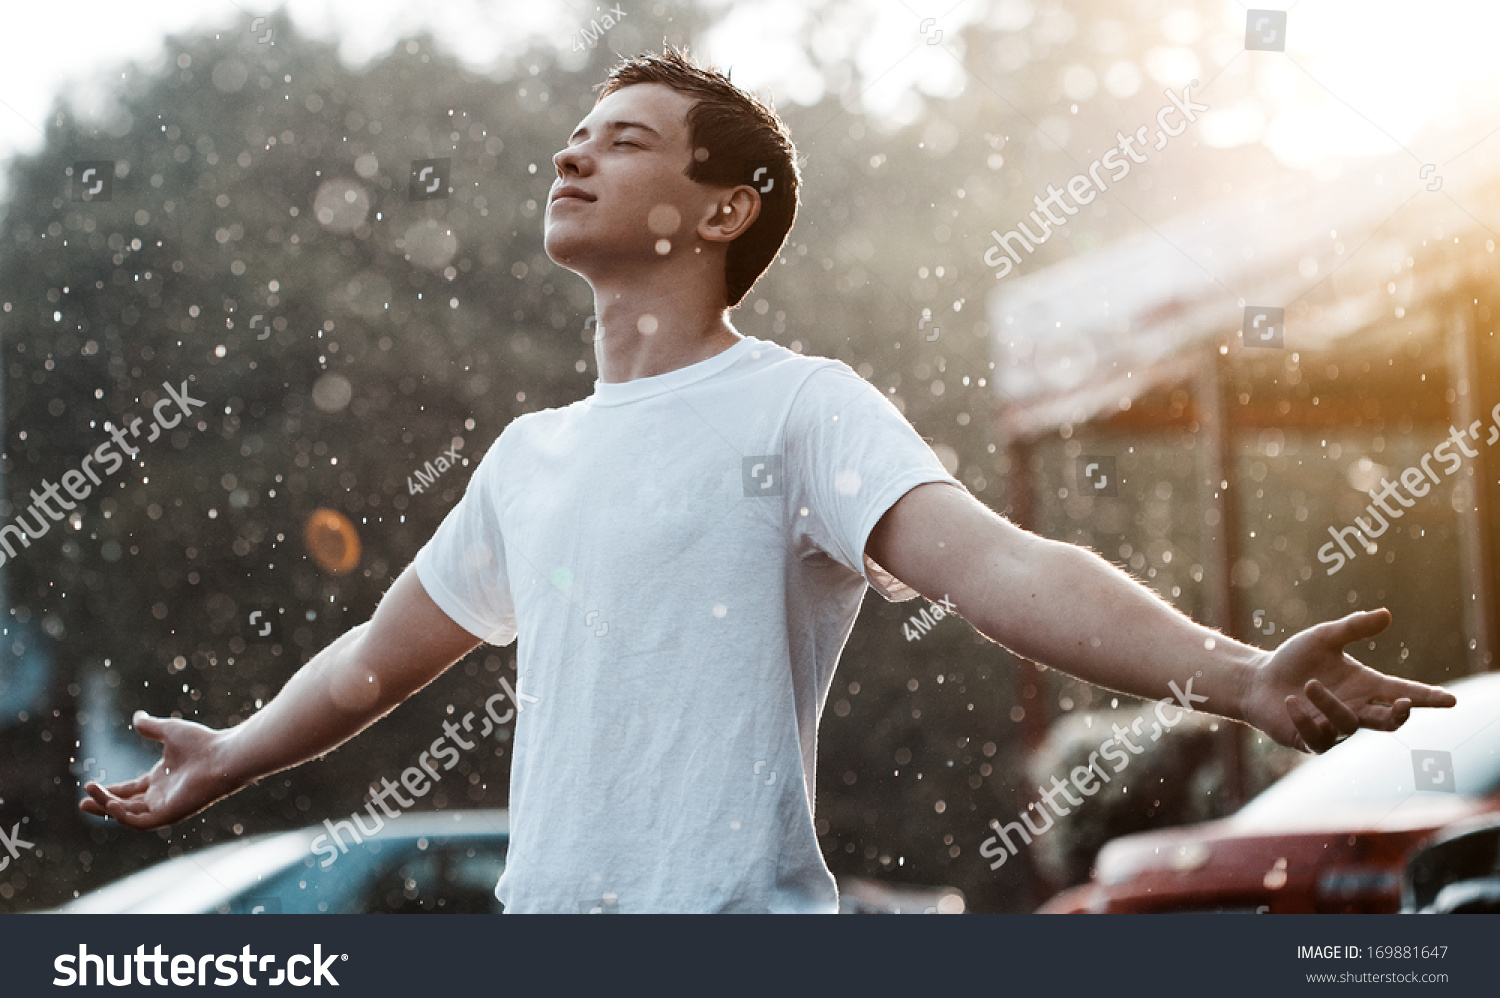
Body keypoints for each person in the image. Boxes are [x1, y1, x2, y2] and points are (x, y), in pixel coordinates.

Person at [81, 46, 1455, 913]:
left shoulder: (801, 406)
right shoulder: (529, 457)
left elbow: (1001, 568)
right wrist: (234, 750)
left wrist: (1241, 673)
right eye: (577, 130)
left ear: (722, 209)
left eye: (624, 138)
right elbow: (377, 663)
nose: (572, 151)